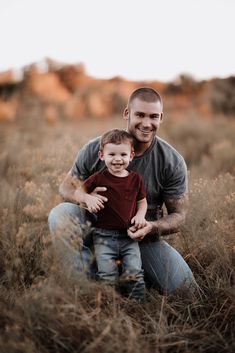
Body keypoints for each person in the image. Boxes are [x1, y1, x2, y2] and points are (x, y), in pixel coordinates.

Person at [48, 87, 196, 295]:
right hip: (97, 229)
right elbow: (66, 187)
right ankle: (84, 288)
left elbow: (180, 215)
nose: (146, 123)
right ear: (127, 113)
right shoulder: (96, 148)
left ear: (161, 117)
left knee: (187, 290)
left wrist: (151, 226)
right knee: (59, 214)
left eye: (153, 116)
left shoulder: (171, 161)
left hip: (141, 239)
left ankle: (124, 274)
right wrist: (85, 197)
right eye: (140, 115)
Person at [75, 128, 147, 301]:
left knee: (135, 272)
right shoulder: (98, 178)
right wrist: (87, 198)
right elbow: (77, 192)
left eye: (123, 155)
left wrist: (140, 216)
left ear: (131, 156)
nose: (117, 159)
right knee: (107, 275)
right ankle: (111, 307)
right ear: (102, 155)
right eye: (112, 154)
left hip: (129, 237)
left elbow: (141, 202)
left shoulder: (135, 179)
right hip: (103, 237)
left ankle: (139, 306)